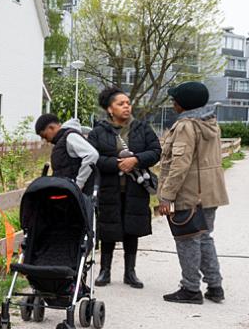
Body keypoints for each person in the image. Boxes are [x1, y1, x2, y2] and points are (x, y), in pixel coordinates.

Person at [157, 82, 229, 304]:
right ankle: (215, 286)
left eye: (174, 100)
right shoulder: (210, 123)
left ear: (183, 104)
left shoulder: (186, 126)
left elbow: (180, 164)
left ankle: (190, 289)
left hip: (190, 194)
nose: (172, 103)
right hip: (210, 192)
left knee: (187, 240)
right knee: (204, 237)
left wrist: (166, 195)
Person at [87, 87, 162, 289]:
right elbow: (92, 157)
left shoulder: (142, 128)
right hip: (109, 188)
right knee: (108, 229)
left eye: (128, 103)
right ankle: (105, 271)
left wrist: (136, 160)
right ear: (110, 109)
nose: (126, 106)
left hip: (135, 188)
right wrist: (116, 163)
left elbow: (156, 151)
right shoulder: (98, 132)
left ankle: (130, 272)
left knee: (132, 229)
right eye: (121, 104)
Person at [34, 113, 99, 191]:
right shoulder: (61, 141)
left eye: (45, 136)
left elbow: (92, 155)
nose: (46, 140)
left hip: (77, 195)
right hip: (68, 193)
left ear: (51, 128)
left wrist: (78, 185)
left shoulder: (70, 136)